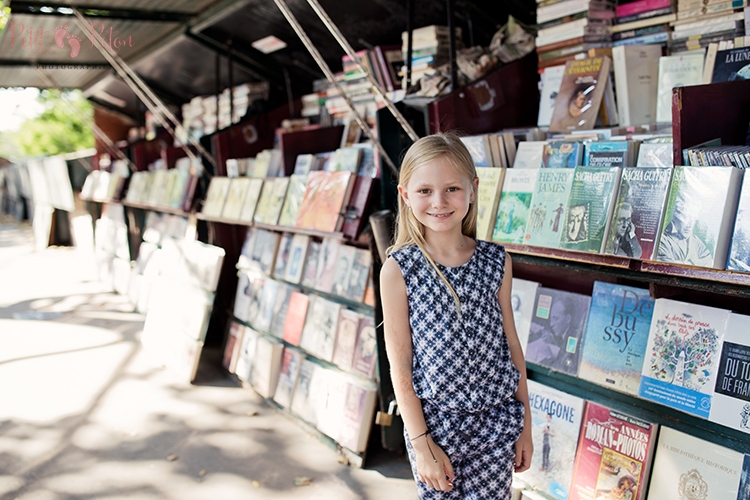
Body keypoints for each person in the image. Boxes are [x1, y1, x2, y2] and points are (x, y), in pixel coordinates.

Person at [380, 133, 533, 499]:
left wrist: (525, 425)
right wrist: (421, 443)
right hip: (436, 428)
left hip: (497, 425)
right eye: (425, 191)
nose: (439, 202)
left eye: (451, 188)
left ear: (473, 189)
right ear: (405, 195)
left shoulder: (497, 261)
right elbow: (400, 364)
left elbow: (511, 345)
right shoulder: (400, 269)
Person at [657, 192, 712, 267]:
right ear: (676, 216)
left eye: (694, 219)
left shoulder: (696, 241)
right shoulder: (662, 240)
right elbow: (668, 267)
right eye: (686, 218)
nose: (690, 224)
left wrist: (683, 263)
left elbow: (709, 262)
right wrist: (696, 263)